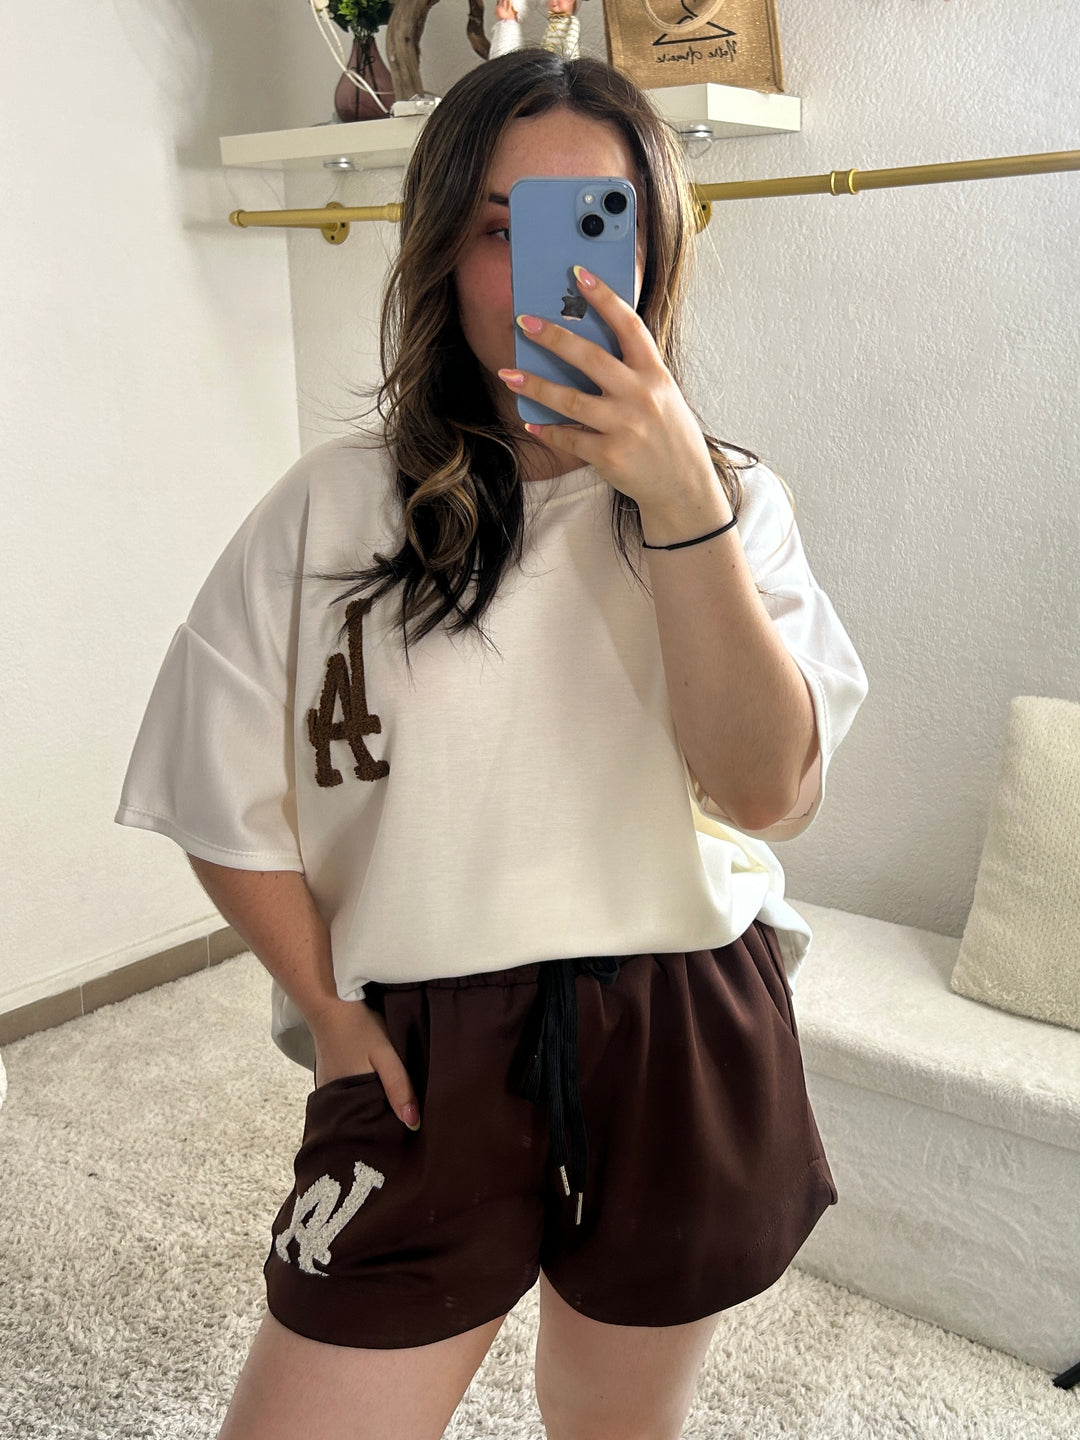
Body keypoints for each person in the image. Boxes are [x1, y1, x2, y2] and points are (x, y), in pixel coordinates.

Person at [115, 47, 868, 1440]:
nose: (548, 272)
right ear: (440, 254)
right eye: (497, 228)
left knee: (613, 1430)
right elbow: (213, 788)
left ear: (653, 249)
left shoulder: (734, 504)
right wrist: (329, 1013)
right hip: (420, 1047)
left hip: (678, 1017)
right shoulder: (327, 512)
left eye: (595, 224)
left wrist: (680, 503)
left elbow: (767, 790)